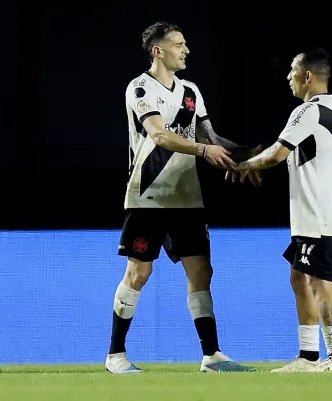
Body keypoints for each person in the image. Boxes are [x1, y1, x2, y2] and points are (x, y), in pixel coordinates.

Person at [105, 21, 257, 374]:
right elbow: (159, 135)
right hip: (149, 195)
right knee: (139, 273)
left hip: (187, 197)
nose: (186, 49)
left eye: (186, 43)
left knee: (201, 271)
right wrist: (204, 151)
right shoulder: (140, 88)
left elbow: (211, 136)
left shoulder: (191, 91)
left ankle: (212, 355)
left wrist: (246, 157)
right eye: (179, 44)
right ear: (159, 50)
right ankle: (116, 355)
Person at [230, 48, 332, 372]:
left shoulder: (308, 111)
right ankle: (309, 356)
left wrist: (244, 165)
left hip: (321, 211)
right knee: (300, 277)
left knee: (320, 282)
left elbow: (277, 153)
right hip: (323, 208)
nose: (288, 77)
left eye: (292, 71)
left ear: (307, 76)